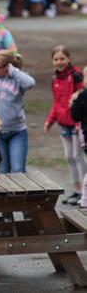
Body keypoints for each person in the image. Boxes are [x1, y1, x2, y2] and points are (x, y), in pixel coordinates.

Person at [44, 46, 85, 205]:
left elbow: (81, 101)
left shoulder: (76, 76)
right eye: (56, 59)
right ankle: (77, 189)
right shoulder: (55, 80)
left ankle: (84, 191)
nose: (59, 62)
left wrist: (78, 122)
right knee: (69, 157)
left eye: (62, 58)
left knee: (78, 156)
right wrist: (50, 120)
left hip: (75, 123)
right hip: (64, 125)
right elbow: (57, 103)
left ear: (69, 59)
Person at [70, 65, 87, 208]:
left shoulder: (82, 95)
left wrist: (73, 104)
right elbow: (76, 116)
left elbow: (75, 116)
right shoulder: (82, 96)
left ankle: (84, 200)